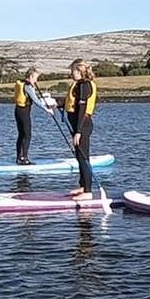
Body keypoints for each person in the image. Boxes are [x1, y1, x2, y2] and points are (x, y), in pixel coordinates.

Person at [63, 59, 98, 200]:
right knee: (78, 156)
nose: (71, 74)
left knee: (83, 157)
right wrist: (56, 104)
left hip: (83, 125)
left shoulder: (85, 85)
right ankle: (83, 185)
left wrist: (78, 131)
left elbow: (82, 109)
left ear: (79, 71)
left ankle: (88, 191)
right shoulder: (78, 85)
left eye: (72, 71)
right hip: (76, 124)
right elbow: (73, 104)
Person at [13, 68, 53, 165]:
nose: (36, 81)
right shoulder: (28, 86)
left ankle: (19, 157)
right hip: (24, 112)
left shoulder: (22, 83)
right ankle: (24, 158)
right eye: (35, 78)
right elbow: (35, 100)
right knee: (27, 135)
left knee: (22, 134)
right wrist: (47, 109)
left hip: (18, 110)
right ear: (30, 77)